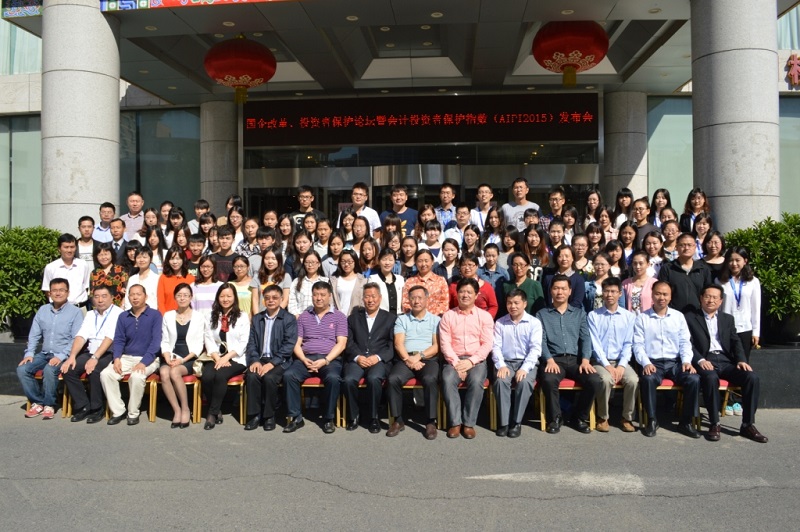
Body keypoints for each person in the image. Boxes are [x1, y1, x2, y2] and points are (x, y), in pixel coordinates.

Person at [686, 285, 767, 443]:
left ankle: (747, 424)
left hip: (725, 360)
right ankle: (714, 423)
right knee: (710, 378)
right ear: (701, 298)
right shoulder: (690, 318)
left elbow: (735, 342)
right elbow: (688, 344)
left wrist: (741, 360)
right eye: (707, 296)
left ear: (721, 301)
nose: (711, 300)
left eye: (715, 297)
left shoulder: (727, 319)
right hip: (705, 359)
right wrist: (700, 360)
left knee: (752, 378)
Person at [633, 281, 701, 438]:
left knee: (694, 379)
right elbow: (638, 345)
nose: (661, 297)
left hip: (675, 362)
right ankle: (652, 420)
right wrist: (646, 363)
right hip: (653, 362)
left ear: (670, 297)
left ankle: (686, 422)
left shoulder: (678, 317)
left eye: (665, 294)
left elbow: (685, 342)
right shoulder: (642, 318)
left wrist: (686, 361)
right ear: (652, 295)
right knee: (648, 379)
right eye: (658, 294)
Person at [536, 274, 598, 434]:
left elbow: (585, 338)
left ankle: (579, 417)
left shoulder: (579, 314)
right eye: (556, 288)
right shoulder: (542, 314)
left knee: (594, 380)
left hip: (576, 360)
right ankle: (555, 418)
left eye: (563, 289)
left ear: (570, 291)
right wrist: (549, 359)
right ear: (551, 291)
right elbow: (540, 341)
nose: (560, 292)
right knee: (549, 380)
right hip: (554, 360)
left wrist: (585, 360)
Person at [283, 281, 348, 434]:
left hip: (329, 359)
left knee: (333, 378)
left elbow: (341, 344)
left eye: (322, 295)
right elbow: (296, 343)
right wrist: (303, 359)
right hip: (306, 358)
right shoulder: (304, 317)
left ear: (330, 296)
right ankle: (296, 417)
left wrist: (325, 360)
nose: (319, 298)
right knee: (289, 375)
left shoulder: (339, 316)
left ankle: (328, 418)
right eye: (315, 295)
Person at [18, 278, 82, 420]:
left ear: (68, 292)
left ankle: (49, 404)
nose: (58, 293)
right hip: (45, 353)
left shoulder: (75, 312)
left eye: (61, 290)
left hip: (64, 355)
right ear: (49, 293)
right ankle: (37, 402)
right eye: (54, 290)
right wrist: (29, 353)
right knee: (22, 369)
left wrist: (61, 356)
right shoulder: (43, 310)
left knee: (49, 369)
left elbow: (76, 338)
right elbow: (34, 334)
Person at [439, 278, 494, 439]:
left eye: (469, 292)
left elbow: (487, 344)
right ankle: (455, 422)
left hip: (476, 360)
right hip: (453, 359)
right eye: (462, 291)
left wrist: (470, 362)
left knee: (476, 381)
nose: (465, 295)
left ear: (476, 295)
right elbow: (445, 343)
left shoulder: (484, 316)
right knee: (448, 379)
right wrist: (457, 363)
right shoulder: (448, 316)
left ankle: (469, 423)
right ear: (457, 294)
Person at [100, 284, 162, 426]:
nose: (135, 297)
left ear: (145, 297)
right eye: (132, 294)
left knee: (137, 376)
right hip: (126, 357)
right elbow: (119, 340)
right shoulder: (123, 316)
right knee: (106, 374)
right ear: (128, 297)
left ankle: (133, 413)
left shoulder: (155, 315)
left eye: (138, 294)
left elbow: (156, 343)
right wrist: (116, 358)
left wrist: (143, 362)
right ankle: (118, 411)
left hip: (149, 358)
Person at [60, 285, 123, 422]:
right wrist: (72, 357)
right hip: (91, 352)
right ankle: (83, 406)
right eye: (96, 296)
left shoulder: (118, 313)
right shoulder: (90, 314)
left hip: (109, 352)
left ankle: (97, 408)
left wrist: (95, 358)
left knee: (95, 370)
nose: (100, 300)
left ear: (112, 298)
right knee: (68, 369)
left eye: (104, 296)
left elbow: (110, 338)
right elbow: (81, 336)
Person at [386, 285, 441, 439]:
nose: (416, 301)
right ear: (408, 300)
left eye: (420, 298)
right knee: (393, 379)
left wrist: (419, 356)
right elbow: (398, 343)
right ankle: (398, 420)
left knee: (430, 379)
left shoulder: (435, 320)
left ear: (427, 299)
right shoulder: (402, 319)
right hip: (406, 358)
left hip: (427, 358)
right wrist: (408, 359)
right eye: (413, 298)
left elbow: (436, 346)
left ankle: (430, 421)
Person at [342, 283, 396, 433]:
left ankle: (374, 417)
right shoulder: (353, 318)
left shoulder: (390, 318)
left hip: (378, 360)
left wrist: (378, 357)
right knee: (349, 380)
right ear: (362, 298)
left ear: (380, 297)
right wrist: (357, 357)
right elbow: (349, 342)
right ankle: (354, 416)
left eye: (373, 296)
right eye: (367, 296)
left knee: (374, 378)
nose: (370, 300)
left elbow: (392, 345)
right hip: (358, 358)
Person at [244, 284, 298, 431]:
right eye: (267, 298)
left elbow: (289, 345)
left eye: (275, 297)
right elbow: (251, 343)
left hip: (280, 360)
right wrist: (255, 360)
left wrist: (272, 363)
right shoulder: (257, 318)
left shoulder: (288, 318)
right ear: (263, 300)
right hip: (260, 359)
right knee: (252, 376)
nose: (271, 300)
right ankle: (255, 415)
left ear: (281, 299)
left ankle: (269, 416)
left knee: (270, 377)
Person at [587, 277, 638, 433]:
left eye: (613, 291)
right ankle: (603, 417)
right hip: (600, 362)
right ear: (602, 293)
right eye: (606, 291)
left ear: (620, 294)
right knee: (605, 379)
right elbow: (595, 345)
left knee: (633, 380)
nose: (610, 295)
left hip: (620, 360)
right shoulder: (593, 315)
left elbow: (628, 343)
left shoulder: (629, 316)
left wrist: (621, 365)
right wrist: (607, 365)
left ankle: (627, 418)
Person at [159, 283, 213, 428]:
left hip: (189, 358)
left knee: (175, 372)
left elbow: (198, 346)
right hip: (171, 356)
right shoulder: (168, 316)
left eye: (185, 295)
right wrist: (167, 357)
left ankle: (185, 408)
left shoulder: (199, 317)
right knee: (164, 372)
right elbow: (165, 341)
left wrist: (182, 360)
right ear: (175, 297)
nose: (182, 298)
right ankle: (176, 410)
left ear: (191, 297)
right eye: (179, 295)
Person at [491, 289, 541, 438]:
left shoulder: (534, 322)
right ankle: (504, 422)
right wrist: (501, 365)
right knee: (500, 381)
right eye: (509, 303)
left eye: (516, 303)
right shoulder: (500, 323)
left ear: (524, 304)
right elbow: (495, 347)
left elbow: (535, 349)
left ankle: (516, 422)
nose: (512, 306)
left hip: (526, 362)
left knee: (525, 382)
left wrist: (524, 368)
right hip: (505, 362)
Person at [201, 283, 250, 430]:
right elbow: (209, 338)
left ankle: (212, 413)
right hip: (216, 356)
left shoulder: (242, 316)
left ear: (234, 297)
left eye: (229, 296)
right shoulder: (211, 316)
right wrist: (218, 358)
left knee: (220, 375)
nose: (225, 299)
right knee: (207, 376)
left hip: (236, 357)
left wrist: (227, 357)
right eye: (222, 296)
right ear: (217, 298)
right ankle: (217, 410)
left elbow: (244, 342)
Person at [658, 232, 713, 313]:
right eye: (682, 245)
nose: (686, 248)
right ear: (676, 247)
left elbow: (708, 292)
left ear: (695, 247)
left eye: (690, 245)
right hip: (674, 314)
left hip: (697, 314)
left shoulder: (703, 269)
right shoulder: (668, 268)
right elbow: (662, 292)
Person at [42, 233, 90, 308]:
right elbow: (47, 291)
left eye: (72, 247)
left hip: (80, 307)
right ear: (59, 249)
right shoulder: (51, 267)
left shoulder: (83, 265)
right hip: (59, 308)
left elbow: (86, 286)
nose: (69, 250)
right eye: (66, 247)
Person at [448, 254, 498, 318]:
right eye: (463, 265)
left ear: (477, 266)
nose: (467, 268)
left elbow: (493, 306)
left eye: (470, 265)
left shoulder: (486, 286)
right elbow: (449, 306)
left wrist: (486, 319)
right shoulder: (453, 286)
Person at [401, 249, 449, 316]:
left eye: (426, 261)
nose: (423, 264)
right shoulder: (410, 282)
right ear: (415, 262)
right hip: (414, 319)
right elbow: (406, 304)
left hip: (436, 319)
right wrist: (418, 316)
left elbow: (444, 302)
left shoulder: (441, 280)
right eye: (420, 261)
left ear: (432, 262)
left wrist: (431, 317)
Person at [288, 251, 328, 317]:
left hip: (322, 318)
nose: (310, 265)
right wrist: (297, 316)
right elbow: (292, 302)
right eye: (307, 262)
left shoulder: (326, 281)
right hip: (301, 318)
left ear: (319, 264)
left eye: (313, 262)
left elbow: (330, 302)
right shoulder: (297, 281)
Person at [156, 246, 195, 314]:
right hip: (167, 316)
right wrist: (164, 317)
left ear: (183, 260)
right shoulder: (163, 278)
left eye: (178, 258)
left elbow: (193, 301)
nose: (175, 262)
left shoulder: (191, 278)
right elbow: (160, 302)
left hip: (186, 316)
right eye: (172, 259)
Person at [90, 242, 129, 308]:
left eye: (106, 254)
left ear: (112, 254)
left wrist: (122, 306)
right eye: (100, 255)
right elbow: (92, 294)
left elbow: (127, 290)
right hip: (99, 308)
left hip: (117, 308)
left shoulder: (120, 270)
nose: (103, 257)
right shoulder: (94, 273)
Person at [331, 248, 367, 315]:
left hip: (356, 317)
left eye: (349, 261)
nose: (346, 264)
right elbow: (331, 301)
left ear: (355, 262)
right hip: (338, 317)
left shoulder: (363, 280)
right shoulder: (334, 280)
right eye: (343, 262)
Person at [191, 255, 223, 321]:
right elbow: (191, 307)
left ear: (214, 268)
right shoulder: (193, 286)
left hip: (215, 322)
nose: (205, 269)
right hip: (198, 322)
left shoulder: (220, 286)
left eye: (208, 267)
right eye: (203, 266)